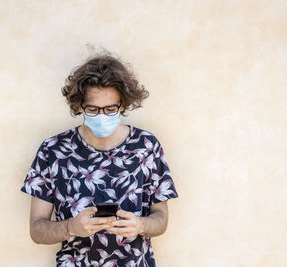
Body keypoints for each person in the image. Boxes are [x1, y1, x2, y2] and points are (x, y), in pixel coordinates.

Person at [20, 54, 179, 267]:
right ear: (79, 107)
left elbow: (161, 219)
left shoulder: (146, 147)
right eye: (93, 109)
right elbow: (37, 230)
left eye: (110, 109)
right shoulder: (53, 151)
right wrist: (70, 227)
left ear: (123, 104)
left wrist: (141, 224)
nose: (102, 115)